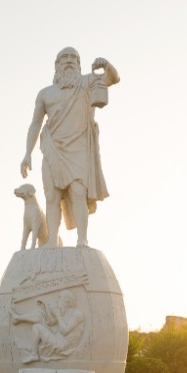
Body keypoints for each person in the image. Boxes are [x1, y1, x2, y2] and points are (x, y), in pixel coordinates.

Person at [21, 47, 119, 248]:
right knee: (51, 196)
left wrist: (106, 66)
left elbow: (113, 78)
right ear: (56, 65)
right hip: (52, 148)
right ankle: (52, 241)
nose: (68, 60)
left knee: (77, 192)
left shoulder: (87, 82)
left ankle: (82, 239)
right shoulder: (45, 94)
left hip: (79, 147)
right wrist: (27, 154)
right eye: (64, 57)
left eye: (73, 57)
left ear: (79, 64)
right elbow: (35, 124)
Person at [11, 290, 85, 363]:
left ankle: (34, 355)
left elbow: (64, 332)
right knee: (40, 316)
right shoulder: (63, 312)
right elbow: (50, 322)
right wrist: (45, 306)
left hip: (62, 345)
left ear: (67, 301)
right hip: (57, 339)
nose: (57, 300)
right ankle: (17, 318)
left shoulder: (77, 314)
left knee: (37, 327)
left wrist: (58, 315)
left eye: (60, 298)